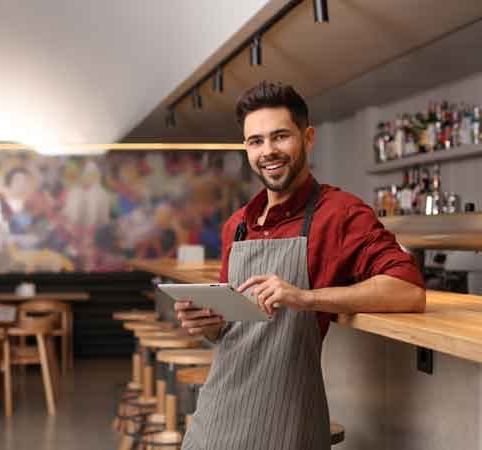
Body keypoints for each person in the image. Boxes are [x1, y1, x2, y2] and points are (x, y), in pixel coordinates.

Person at [175, 82, 425, 450]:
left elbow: (409, 290)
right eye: (255, 141)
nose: (268, 151)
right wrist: (208, 324)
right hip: (217, 412)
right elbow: (227, 332)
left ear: (307, 139)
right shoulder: (238, 225)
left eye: (280, 137)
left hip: (286, 417)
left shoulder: (340, 214)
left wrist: (306, 298)